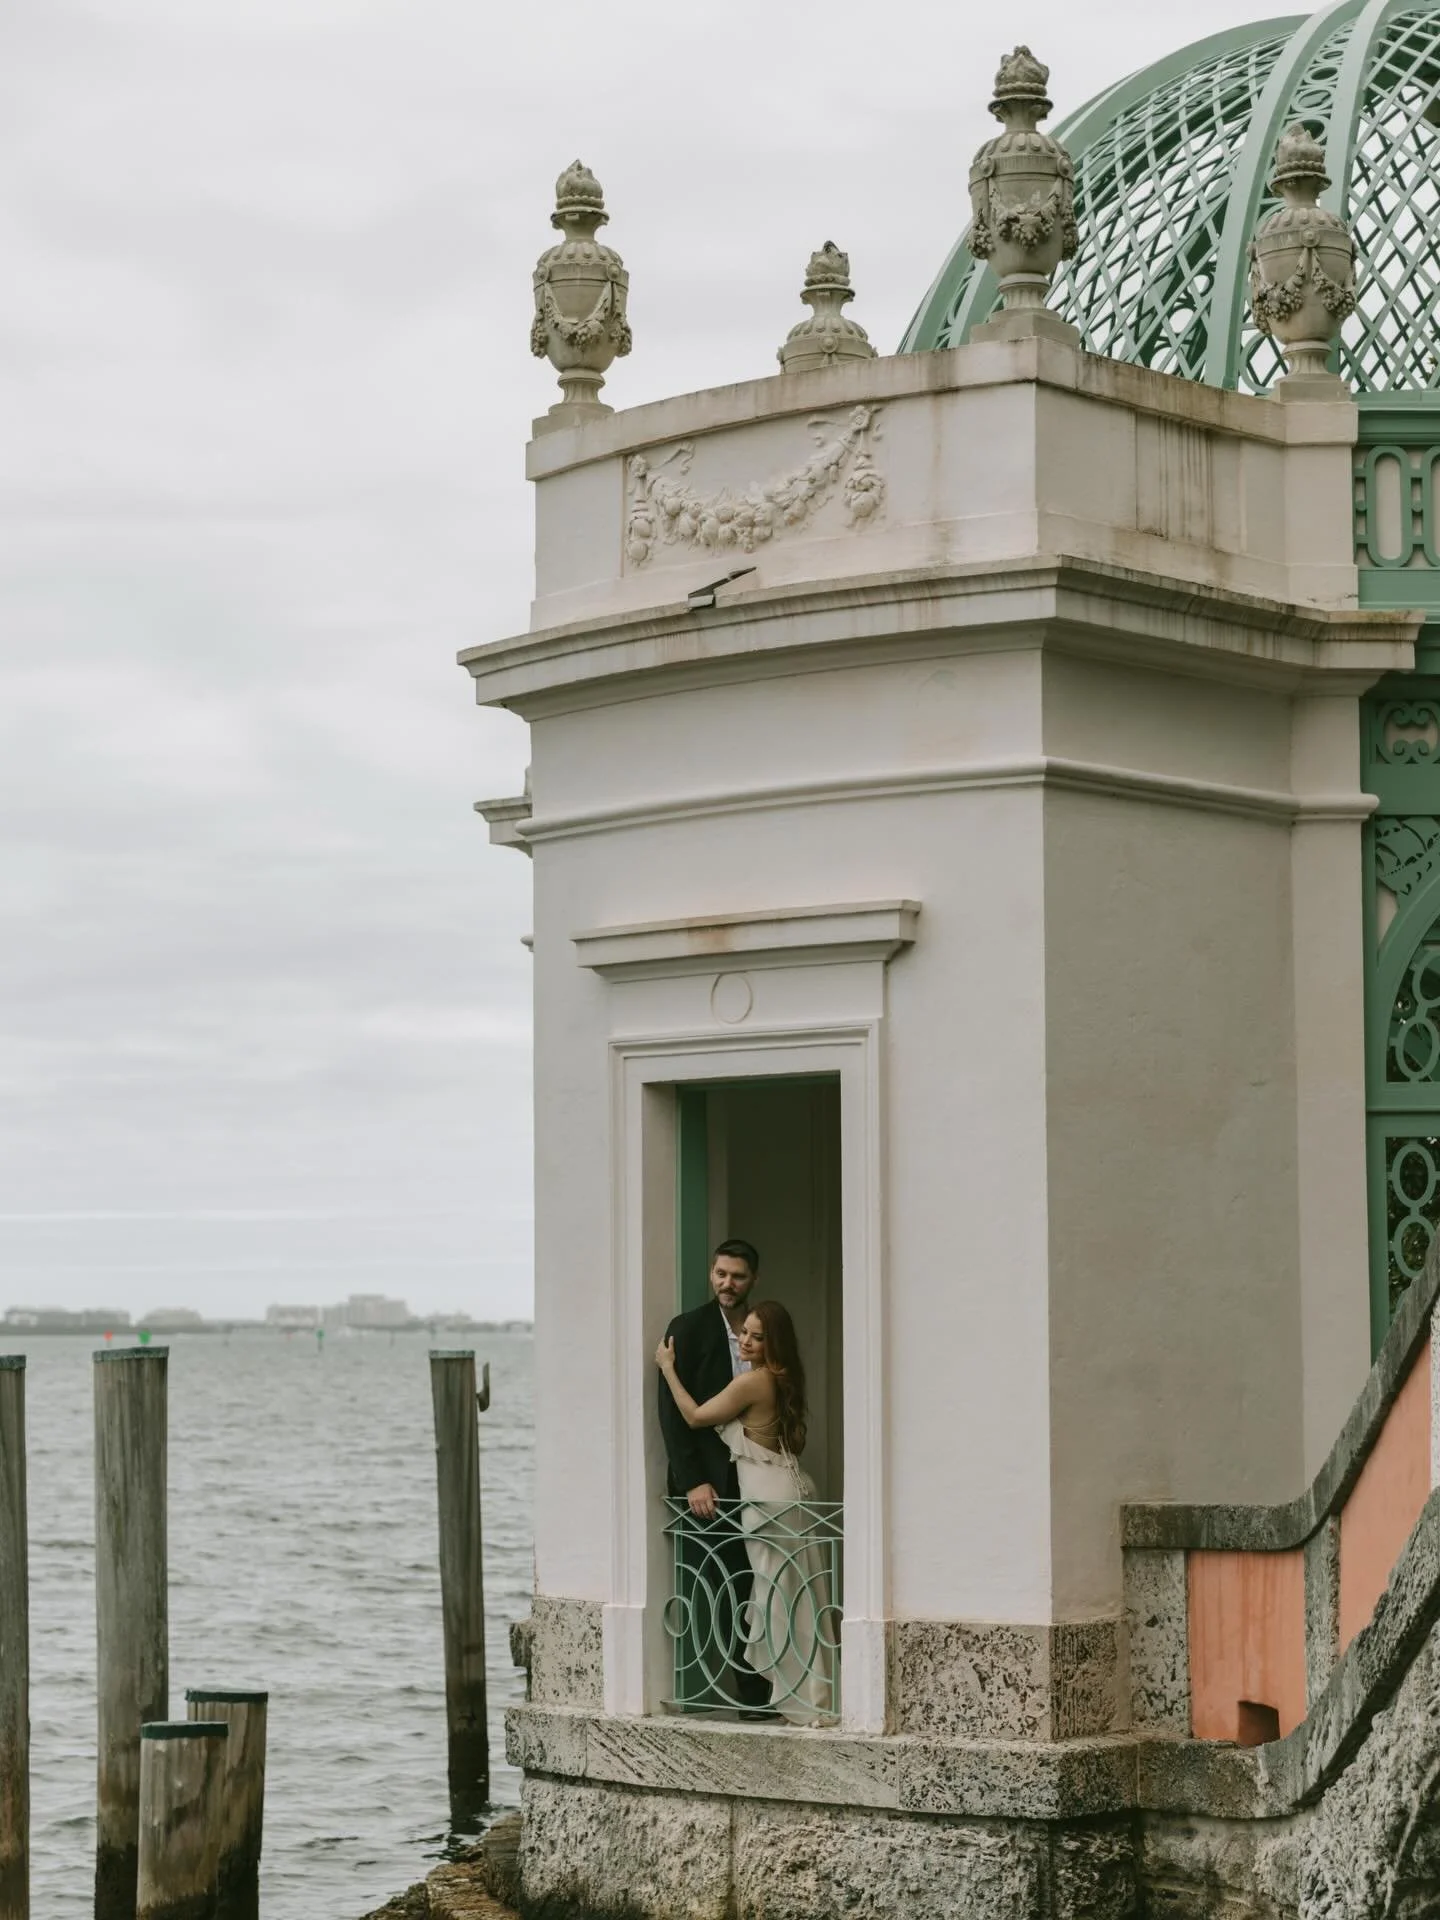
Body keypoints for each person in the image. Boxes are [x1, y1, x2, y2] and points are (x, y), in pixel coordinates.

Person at [657, 1297, 836, 1726]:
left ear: (773, 1342)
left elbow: (697, 1416)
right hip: (790, 1488)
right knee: (797, 1594)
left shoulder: (755, 1382)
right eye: (744, 1332)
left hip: (767, 1500)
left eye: (757, 1336)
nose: (746, 1341)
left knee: (776, 1598)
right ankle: (810, 1691)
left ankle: (797, 1697)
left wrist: (667, 1368)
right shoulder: (785, 1376)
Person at [657, 1240, 772, 1710]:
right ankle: (736, 1695)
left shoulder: (760, 1331)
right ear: (711, 1273)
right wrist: (691, 1481)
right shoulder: (686, 1328)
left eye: (738, 1276)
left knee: (758, 1582)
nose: (728, 1283)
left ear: (752, 1280)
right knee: (725, 1586)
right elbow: (671, 1412)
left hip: (755, 1477)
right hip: (709, 1485)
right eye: (721, 1274)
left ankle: (763, 1689)